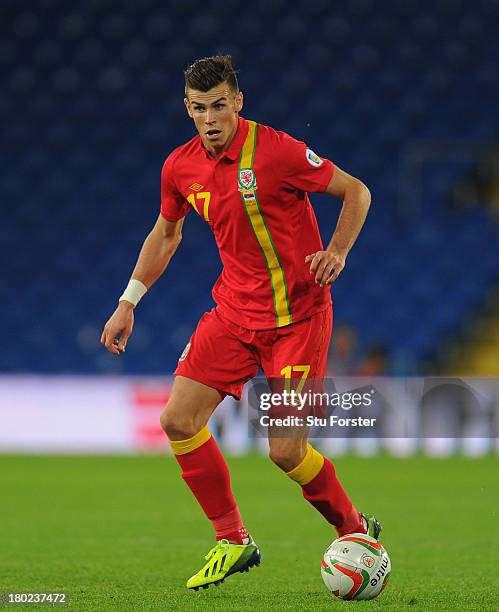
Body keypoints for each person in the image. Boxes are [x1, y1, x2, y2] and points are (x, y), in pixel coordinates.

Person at [101, 55, 379, 590]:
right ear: (187, 108)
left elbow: (357, 192)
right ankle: (232, 541)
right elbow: (166, 235)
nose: (211, 117)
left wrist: (338, 251)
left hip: (297, 320)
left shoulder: (276, 152)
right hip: (232, 316)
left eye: (220, 105)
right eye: (200, 108)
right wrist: (128, 300)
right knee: (178, 421)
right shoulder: (179, 167)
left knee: (285, 451)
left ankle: (355, 528)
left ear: (238, 103)